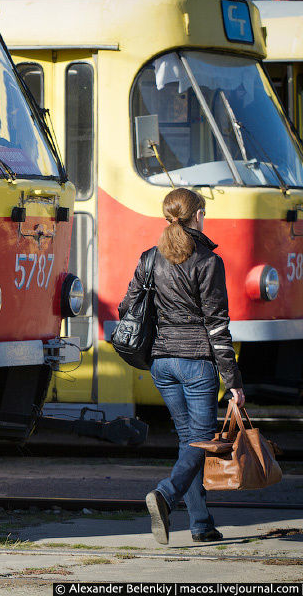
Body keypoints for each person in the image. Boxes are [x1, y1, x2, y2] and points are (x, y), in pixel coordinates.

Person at [118, 187, 245, 545]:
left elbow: (126, 307)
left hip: (162, 363)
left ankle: (201, 524)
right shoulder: (207, 261)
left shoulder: (149, 258)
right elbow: (217, 325)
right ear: (198, 216)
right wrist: (233, 379)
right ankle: (165, 495)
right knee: (201, 441)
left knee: (189, 440)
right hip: (195, 364)